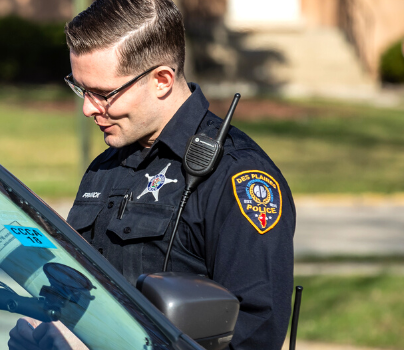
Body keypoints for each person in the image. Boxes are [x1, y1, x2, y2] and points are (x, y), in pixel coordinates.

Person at [60, 0, 293, 348]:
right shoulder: (105, 166)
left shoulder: (238, 176)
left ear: (162, 80)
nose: (87, 108)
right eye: (80, 88)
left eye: (103, 94)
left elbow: (254, 333)